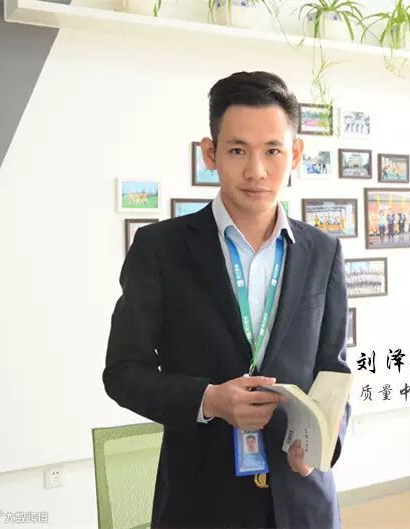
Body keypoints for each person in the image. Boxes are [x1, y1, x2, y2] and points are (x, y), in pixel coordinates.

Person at [103, 71, 351, 529]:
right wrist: (210, 400)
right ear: (210, 153)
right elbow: (122, 373)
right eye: (238, 150)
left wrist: (323, 443)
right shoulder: (161, 249)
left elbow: (332, 369)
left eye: (273, 151)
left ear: (295, 154)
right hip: (201, 501)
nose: (256, 171)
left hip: (302, 501)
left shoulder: (323, 251)